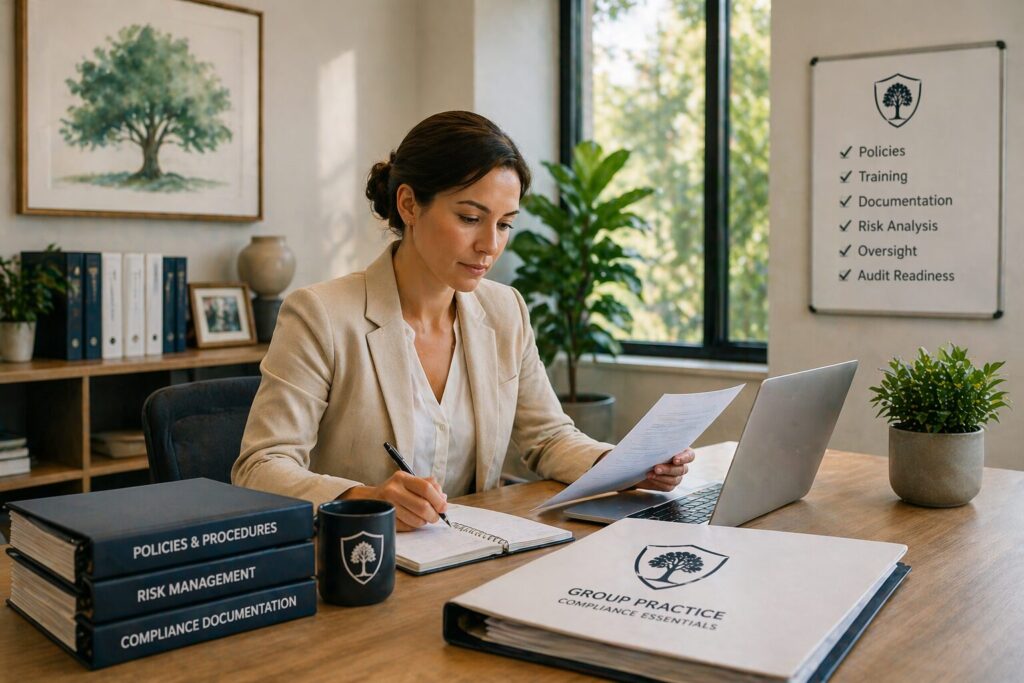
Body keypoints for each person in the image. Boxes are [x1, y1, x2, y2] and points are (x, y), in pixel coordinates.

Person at [232, 111, 694, 531]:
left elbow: (548, 438)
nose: (490, 245)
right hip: (361, 563)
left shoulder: (505, 310)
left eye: (505, 224)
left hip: (472, 552)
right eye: (471, 217)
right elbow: (260, 466)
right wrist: (364, 498)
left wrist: (625, 465)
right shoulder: (321, 315)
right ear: (409, 205)